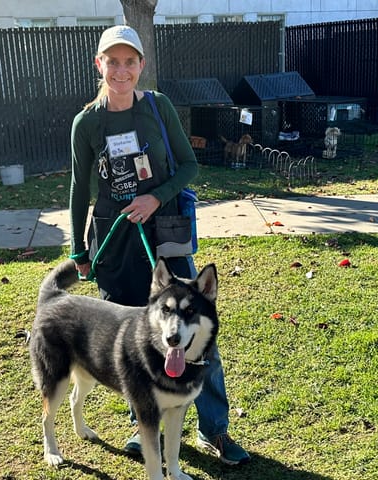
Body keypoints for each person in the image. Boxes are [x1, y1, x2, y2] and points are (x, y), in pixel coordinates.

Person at [68, 24, 250, 466]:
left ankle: (214, 431)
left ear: (141, 66)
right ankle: (142, 423)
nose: (122, 70)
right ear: (100, 65)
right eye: (113, 61)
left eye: (130, 61)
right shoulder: (87, 122)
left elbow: (189, 167)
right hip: (115, 242)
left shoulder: (159, 107)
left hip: (164, 234)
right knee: (133, 340)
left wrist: (155, 196)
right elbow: (78, 188)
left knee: (196, 337)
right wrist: (79, 251)